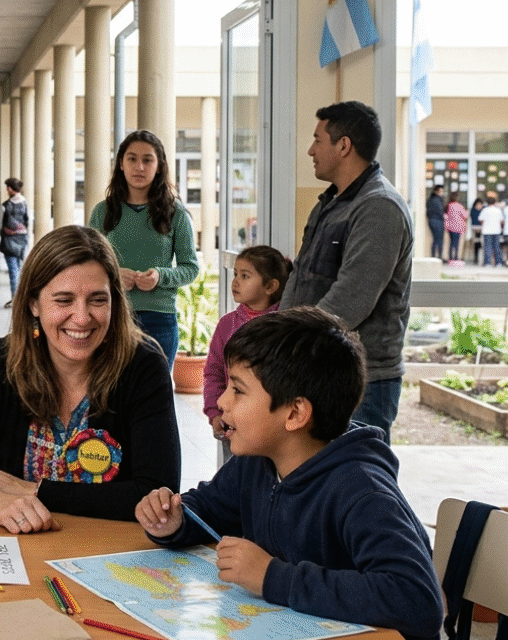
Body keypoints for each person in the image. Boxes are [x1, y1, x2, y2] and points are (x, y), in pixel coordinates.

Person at [136, 307, 442, 640]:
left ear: (294, 413)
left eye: (238, 390)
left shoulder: (362, 492)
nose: (222, 401)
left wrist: (273, 577)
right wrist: (174, 520)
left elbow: (417, 600)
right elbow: (209, 508)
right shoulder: (257, 462)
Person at [0, 225, 181, 532]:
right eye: (64, 300)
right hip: (22, 551)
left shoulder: (143, 364)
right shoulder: (2, 361)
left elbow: (156, 495)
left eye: (98, 300)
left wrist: (36, 491)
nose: (82, 318)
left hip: (113, 552)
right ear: (34, 304)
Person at [280, 101, 413, 443]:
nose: (310, 150)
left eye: (317, 139)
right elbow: (302, 279)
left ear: (343, 146)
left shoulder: (379, 207)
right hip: (320, 368)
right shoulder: (332, 203)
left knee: (355, 486)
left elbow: (350, 300)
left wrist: (287, 341)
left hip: (362, 381)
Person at [89, 130, 199, 369]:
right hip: (112, 314)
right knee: (112, 393)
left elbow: (190, 268)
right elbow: (89, 265)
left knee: (155, 395)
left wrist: (161, 276)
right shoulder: (102, 212)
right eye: (132, 159)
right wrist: (115, 275)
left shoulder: (176, 213)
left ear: (159, 166)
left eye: (147, 160)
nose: (139, 166)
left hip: (160, 319)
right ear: (121, 164)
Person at [203, 245, 291, 463]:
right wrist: (215, 411)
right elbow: (213, 371)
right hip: (231, 421)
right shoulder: (226, 325)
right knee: (233, 479)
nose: (235, 282)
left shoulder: (285, 325)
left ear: (270, 286)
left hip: (270, 426)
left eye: (245, 276)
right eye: (235, 274)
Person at [0, 177, 30, 308]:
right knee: (20, 269)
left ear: (11, 188)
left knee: (13, 270)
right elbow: (28, 222)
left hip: (9, 241)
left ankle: (15, 298)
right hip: (22, 240)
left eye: (7, 187)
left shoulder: (5, 205)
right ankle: (22, 298)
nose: (6, 189)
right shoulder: (25, 203)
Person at [479, 196, 504, 267]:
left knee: (487, 247)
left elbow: (481, 220)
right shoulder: (498, 210)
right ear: (495, 202)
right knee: (497, 247)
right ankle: (498, 262)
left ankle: (487, 263)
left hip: (486, 231)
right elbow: (501, 221)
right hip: (496, 230)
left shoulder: (484, 210)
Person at [445, 191, 468, 263]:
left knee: (451, 243)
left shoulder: (448, 206)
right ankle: (456, 258)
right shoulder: (459, 206)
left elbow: (446, 216)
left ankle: (450, 258)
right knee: (456, 243)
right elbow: (465, 216)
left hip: (450, 227)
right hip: (458, 227)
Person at [426, 185, 446, 260]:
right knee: (439, 240)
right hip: (437, 221)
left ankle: (434, 256)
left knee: (436, 239)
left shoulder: (431, 199)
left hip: (432, 221)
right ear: (436, 191)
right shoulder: (436, 200)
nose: (441, 193)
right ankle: (438, 257)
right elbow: (440, 211)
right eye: (440, 191)